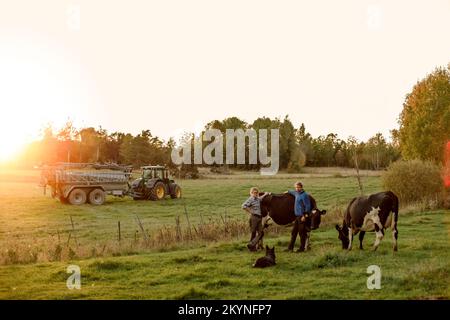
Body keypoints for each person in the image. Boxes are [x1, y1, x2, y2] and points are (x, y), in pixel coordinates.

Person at [285, 181, 312, 252]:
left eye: (298, 187)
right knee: (294, 232)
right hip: (297, 217)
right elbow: (292, 191)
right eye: (296, 187)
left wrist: (305, 216)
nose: (297, 188)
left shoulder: (305, 195)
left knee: (301, 233)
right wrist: (287, 191)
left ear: (301, 187)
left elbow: (308, 206)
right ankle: (290, 248)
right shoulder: (296, 193)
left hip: (302, 216)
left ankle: (302, 248)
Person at [241, 187, 268, 251]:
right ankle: (252, 248)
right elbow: (243, 206)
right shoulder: (251, 199)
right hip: (254, 218)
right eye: (254, 193)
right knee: (253, 232)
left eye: (256, 193)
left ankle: (251, 244)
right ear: (251, 193)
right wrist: (250, 211)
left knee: (261, 233)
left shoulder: (258, 199)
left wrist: (266, 194)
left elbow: (261, 198)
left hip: (259, 218)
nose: (255, 194)